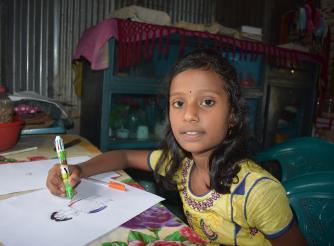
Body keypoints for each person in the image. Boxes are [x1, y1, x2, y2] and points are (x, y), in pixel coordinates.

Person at [46, 49, 306, 245]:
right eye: (178, 103)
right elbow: (123, 156)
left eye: (206, 102)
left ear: (233, 116)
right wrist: (78, 169)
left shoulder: (257, 193)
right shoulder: (181, 164)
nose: (189, 115)